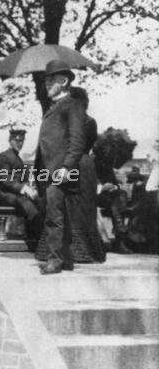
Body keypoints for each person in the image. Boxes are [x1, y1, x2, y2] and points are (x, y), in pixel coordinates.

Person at [36, 87, 105, 263]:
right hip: (82, 164)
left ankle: (67, 251)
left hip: (74, 163)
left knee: (68, 206)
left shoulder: (80, 121)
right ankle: (81, 250)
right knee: (79, 207)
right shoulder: (90, 121)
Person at [35, 60, 88, 274]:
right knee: (57, 214)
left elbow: (77, 141)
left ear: (64, 81)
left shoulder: (72, 105)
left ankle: (55, 260)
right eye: (46, 79)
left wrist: (67, 167)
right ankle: (64, 259)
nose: (47, 83)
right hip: (48, 171)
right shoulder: (54, 107)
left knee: (54, 217)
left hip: (59, 171)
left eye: (51, 79)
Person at [0, 129, 42, 247]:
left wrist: (30, 188)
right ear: (10, 141)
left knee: (39, 201)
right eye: (17, 140)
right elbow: (4, 179)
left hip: (12, 194)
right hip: (2, 194)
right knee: (27, 205)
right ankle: (36, 240)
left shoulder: (17, 158)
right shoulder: (4, 157)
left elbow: (22, 179)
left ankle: (34, 237)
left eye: (22, 141)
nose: (20, 143)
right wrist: (23, 189)